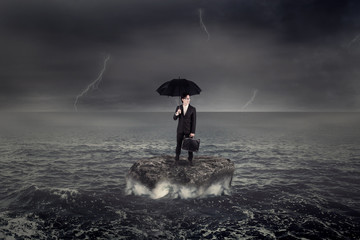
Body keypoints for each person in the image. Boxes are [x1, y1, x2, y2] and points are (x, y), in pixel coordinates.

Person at [173, 92, 196, 164]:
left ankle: (190, 159)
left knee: (190, 146)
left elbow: (194, 121)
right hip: (180, 130)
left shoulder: (192, 109)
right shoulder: (178, 107)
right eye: (187, 98)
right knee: (178, 145)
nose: (188, 100)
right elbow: (174, 118)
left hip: (188, 130)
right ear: (182, 99)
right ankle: (177, 158)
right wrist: (177, 113)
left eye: (189, 98)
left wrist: (193, 132)